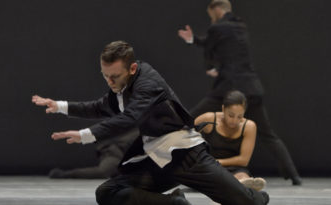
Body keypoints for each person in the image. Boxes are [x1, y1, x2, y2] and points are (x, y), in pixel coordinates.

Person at [32, 40, 269, 205]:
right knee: (107, 192)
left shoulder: (148, 83)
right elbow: (99, 106)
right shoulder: (122, 86)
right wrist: (60, 106)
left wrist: (85, 134)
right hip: (158, 161)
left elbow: (129, 117)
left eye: (114, 76)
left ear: (132, 68)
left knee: (245, 202)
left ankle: (253, 196)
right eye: (105, 75)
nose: (110, 82)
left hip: (187, 157)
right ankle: (174, 202)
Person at [178, 0, 302, 185]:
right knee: (268, 134)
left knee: (189, 121)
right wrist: (194, 39)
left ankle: (174, 167)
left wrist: (210, 65)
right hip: (251, 87)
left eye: (211, 15)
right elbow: (227, 48)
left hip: (228, 87)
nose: (211, 19)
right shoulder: (240, 26)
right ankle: (294, 176)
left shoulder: (217, 28)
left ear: (217, 10)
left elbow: (210, 47)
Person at [195, 90, 266, 191]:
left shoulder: (249, 126)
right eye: (231, 115)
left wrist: (218, 161)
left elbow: (244, 160)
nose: (235, 121)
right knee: (214, 175)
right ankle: (231, 185)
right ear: (223, 109)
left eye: (240, 117)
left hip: (234, 167)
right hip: (211, 166)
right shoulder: (210, 119)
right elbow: (186, 133)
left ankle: (243, 184)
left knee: (242, 175)